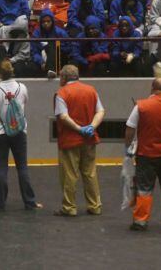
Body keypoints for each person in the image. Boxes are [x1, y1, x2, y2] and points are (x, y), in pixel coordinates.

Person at [125, 78, 161, 231]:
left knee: (144, 189)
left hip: (147, 154)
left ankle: (140, 221)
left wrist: (128, 148)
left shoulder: (141, 106)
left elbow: (130, 128)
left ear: (152, 88)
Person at [0, 60, 42, 211]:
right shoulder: (22, 88)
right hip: (19, 131)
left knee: (2, 167)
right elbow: (24, 104)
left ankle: (0, 203)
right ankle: (30, 202)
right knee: (22, 167)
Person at [53, 65, 104, 216]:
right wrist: (91, 127)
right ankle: (95, 206)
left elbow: (63, 116)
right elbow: (100, 111)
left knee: (69, 174)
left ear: (63, 77)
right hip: (89, 139)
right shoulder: (91, 90)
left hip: (70, 140)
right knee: (90, 173)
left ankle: (69, 207)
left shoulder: (61, 93)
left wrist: (78, 128)